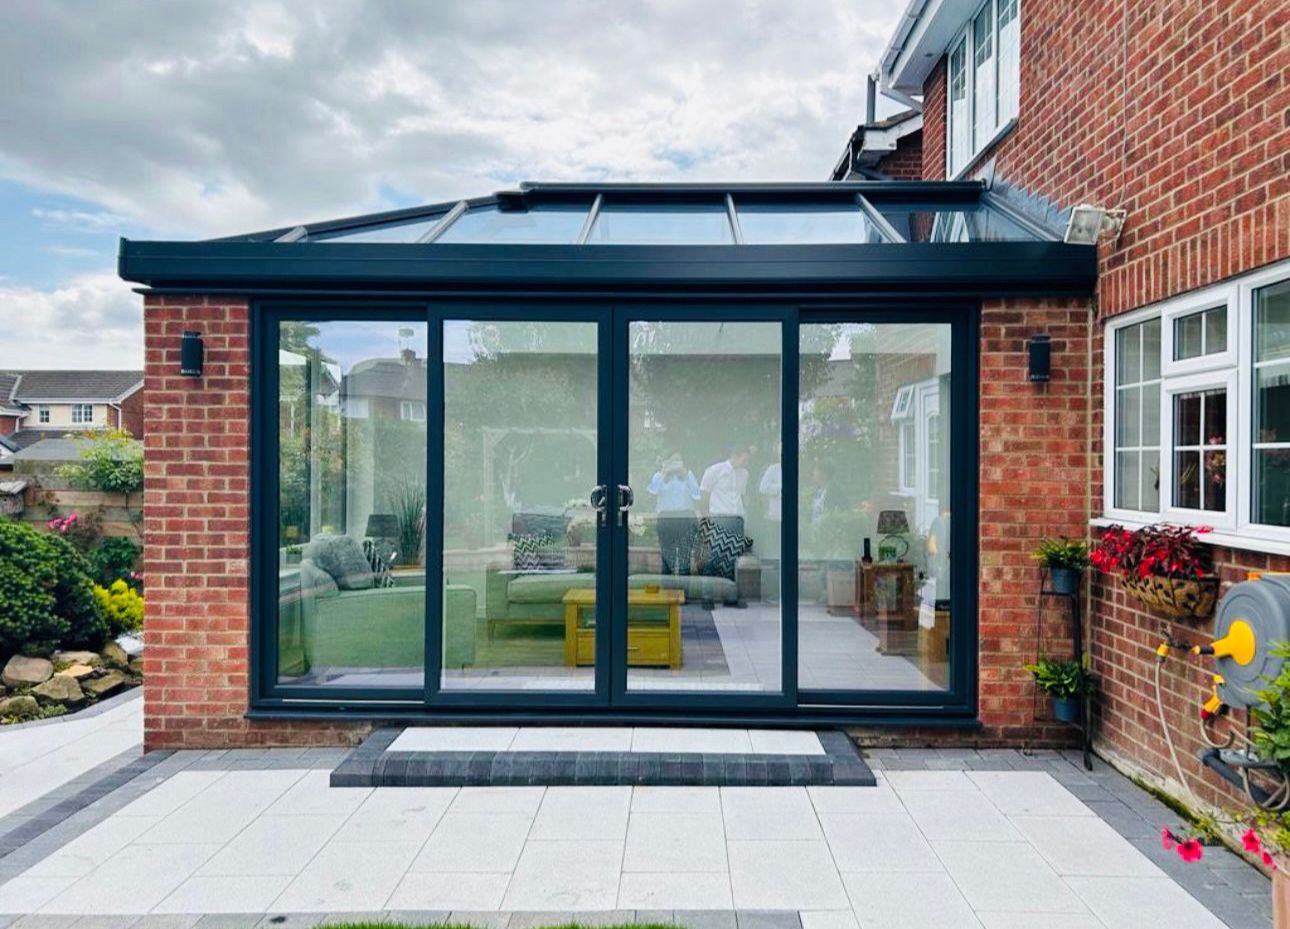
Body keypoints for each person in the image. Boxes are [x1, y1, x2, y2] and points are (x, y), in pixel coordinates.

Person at [647, 452, 700, 575]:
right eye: (673, 461)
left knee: (684, 559)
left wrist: (685, 475)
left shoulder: (688, 475)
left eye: (678, 461)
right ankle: (666, 591)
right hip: (666, 519)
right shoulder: (659, 476)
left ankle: (685, 591)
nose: (675, 465)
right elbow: (652, 492)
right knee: (667, 558)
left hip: (685, 518)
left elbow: (697, 495)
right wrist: (663, 473)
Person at [700, 445, 751, 534]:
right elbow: (704, 495)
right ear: (734, 456)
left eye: (748, 461)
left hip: (738, 518)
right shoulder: (715, 470)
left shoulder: (745, 474)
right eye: (744, 460)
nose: (746, 463)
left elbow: (741, 495)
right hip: (719, 517)